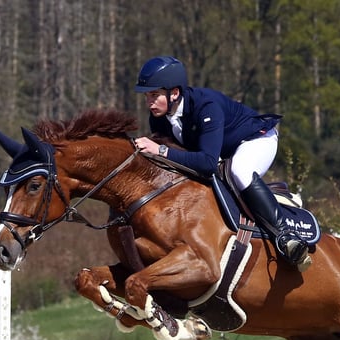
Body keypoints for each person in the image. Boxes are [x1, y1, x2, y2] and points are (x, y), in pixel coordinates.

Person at [133, 55, 311, 271]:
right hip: (221, 150)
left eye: (155, 95)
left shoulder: (206, 106)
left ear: (175, 93)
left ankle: (287, 236)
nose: (149, 102)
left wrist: (160, 150)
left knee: (239, 170)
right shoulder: (159, 117)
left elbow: (207, 163)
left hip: (256, 139)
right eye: (147, 96)